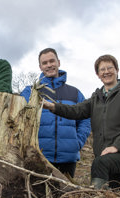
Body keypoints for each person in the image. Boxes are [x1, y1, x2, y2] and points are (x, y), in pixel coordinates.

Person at [43, 54, 120, 190]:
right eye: (102, 69)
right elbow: (76, 110)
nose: (106, 72)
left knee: (100, 164)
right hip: (106, 152)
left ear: (117, 70)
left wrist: (117, 146)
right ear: (97, 74)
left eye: (110, 68)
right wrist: (52, 106)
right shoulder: (96, 98)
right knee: (117, 186)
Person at [20, 48, 91, 178]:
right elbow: (19, 118)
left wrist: (78, 142)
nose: (49, 65)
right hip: (39, 157)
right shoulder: (30, 92)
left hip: (68, 157)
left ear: (58, 62)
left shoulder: (75, 93)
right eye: (45, 63)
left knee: (65, 196)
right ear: (40, 67)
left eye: (52, 61)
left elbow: (85, 119)